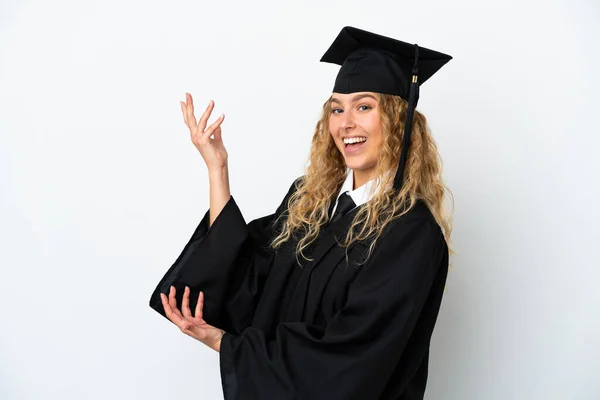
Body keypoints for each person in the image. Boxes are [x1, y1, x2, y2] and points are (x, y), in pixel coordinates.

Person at [149, 26, 453, 400]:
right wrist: (218, 170)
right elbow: (250, 272)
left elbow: (353, 359)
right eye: (337, 108)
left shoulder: (410, 233)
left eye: (364, 106)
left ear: (398, 121)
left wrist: (223, 343)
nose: (346, 123)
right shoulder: (309, 202)